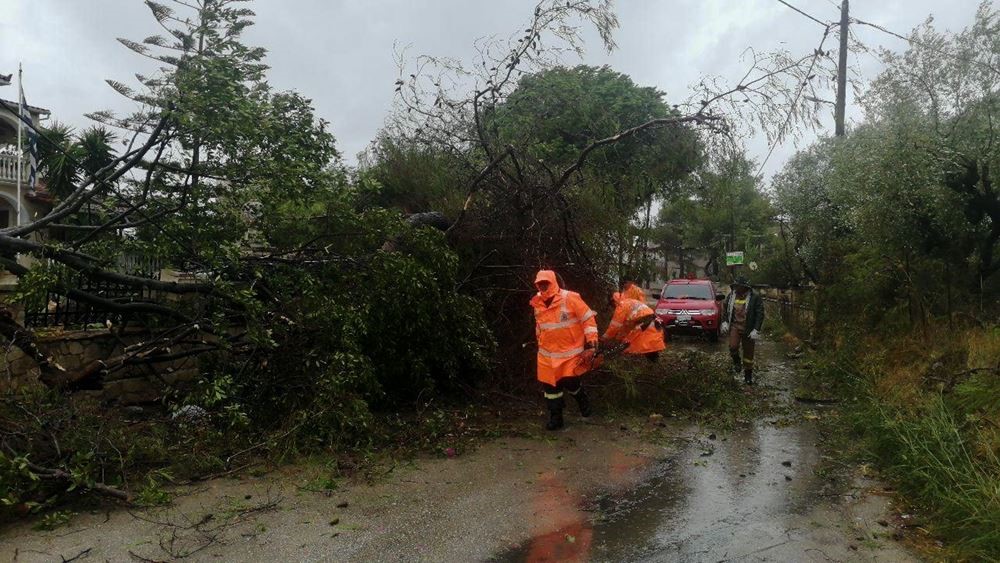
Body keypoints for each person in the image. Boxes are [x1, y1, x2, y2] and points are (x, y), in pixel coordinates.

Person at [530, 270, 599, 430]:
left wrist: (591, 345)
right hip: (546, 355)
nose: (542, 286)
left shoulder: (570, 298)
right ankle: (556, 418)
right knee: (550, 389)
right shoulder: (537, 303)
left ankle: (583, 403)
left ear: (553, 282)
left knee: (571, 382)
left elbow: (588, 319)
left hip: (570, 354)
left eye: (545, 283)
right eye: (539, 284)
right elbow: (540, 327)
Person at [720, 276, 765, 385]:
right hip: (735, 326)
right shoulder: (731, 296)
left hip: (748, 328)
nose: (737, 288)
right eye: (735, 286)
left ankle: (748, 376)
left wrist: (756, 329)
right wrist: (725, 322)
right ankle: (736, 361)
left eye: (738, 286)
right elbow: (725, 309)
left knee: (748, 354)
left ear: (745, 287)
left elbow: (760, 314)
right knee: (733, 346)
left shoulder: (755, 297)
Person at [602, 291, 666, 362]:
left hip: (645, 324)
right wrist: (620, 338)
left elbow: (614, 326)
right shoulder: (629, 301)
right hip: (652, 322)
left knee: (642, 346)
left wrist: (605, 338)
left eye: (611, 305)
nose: (612, 308)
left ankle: (650, 363)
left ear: (613, 301)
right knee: (649, 346)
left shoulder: (621, 306)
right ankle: (652, 363)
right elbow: (626, 327)